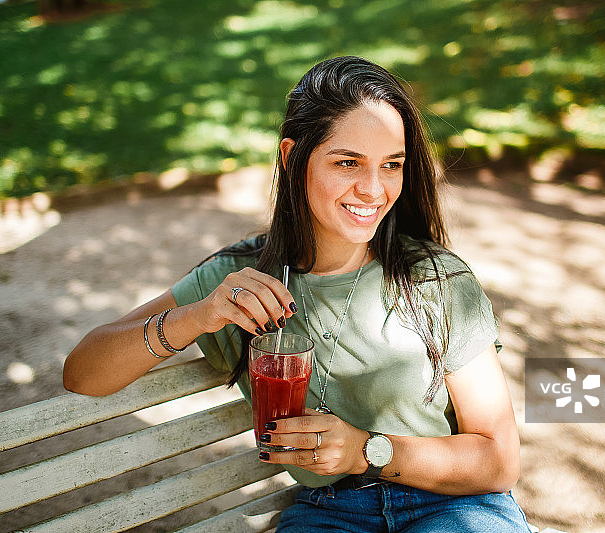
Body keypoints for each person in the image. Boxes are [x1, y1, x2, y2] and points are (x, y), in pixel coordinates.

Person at [63, 55, 530, 532]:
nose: (373, 190)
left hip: (450, 507)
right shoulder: (236, 279)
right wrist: (195, 318)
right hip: (328, 513)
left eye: (391, 165)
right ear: (292, 158)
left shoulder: (435, 279)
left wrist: (363, 449)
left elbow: (497, 460)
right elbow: (83, 374)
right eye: (348, 162)